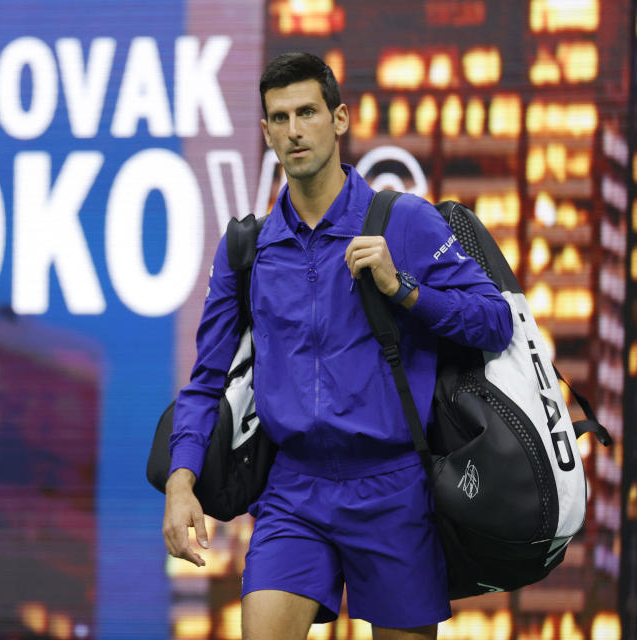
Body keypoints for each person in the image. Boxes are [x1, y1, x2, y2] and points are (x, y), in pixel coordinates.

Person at [161, 52, 514, 640]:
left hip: (395, 485)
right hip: (293, 491)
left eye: (308, 112)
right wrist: (180, 483)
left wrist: (404, 291)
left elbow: (495, 321)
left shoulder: (403, 221)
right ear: (267, 132)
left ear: (340, 119)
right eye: (280, 118)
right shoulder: (247, 247)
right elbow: (207, 379)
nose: (295, 130)